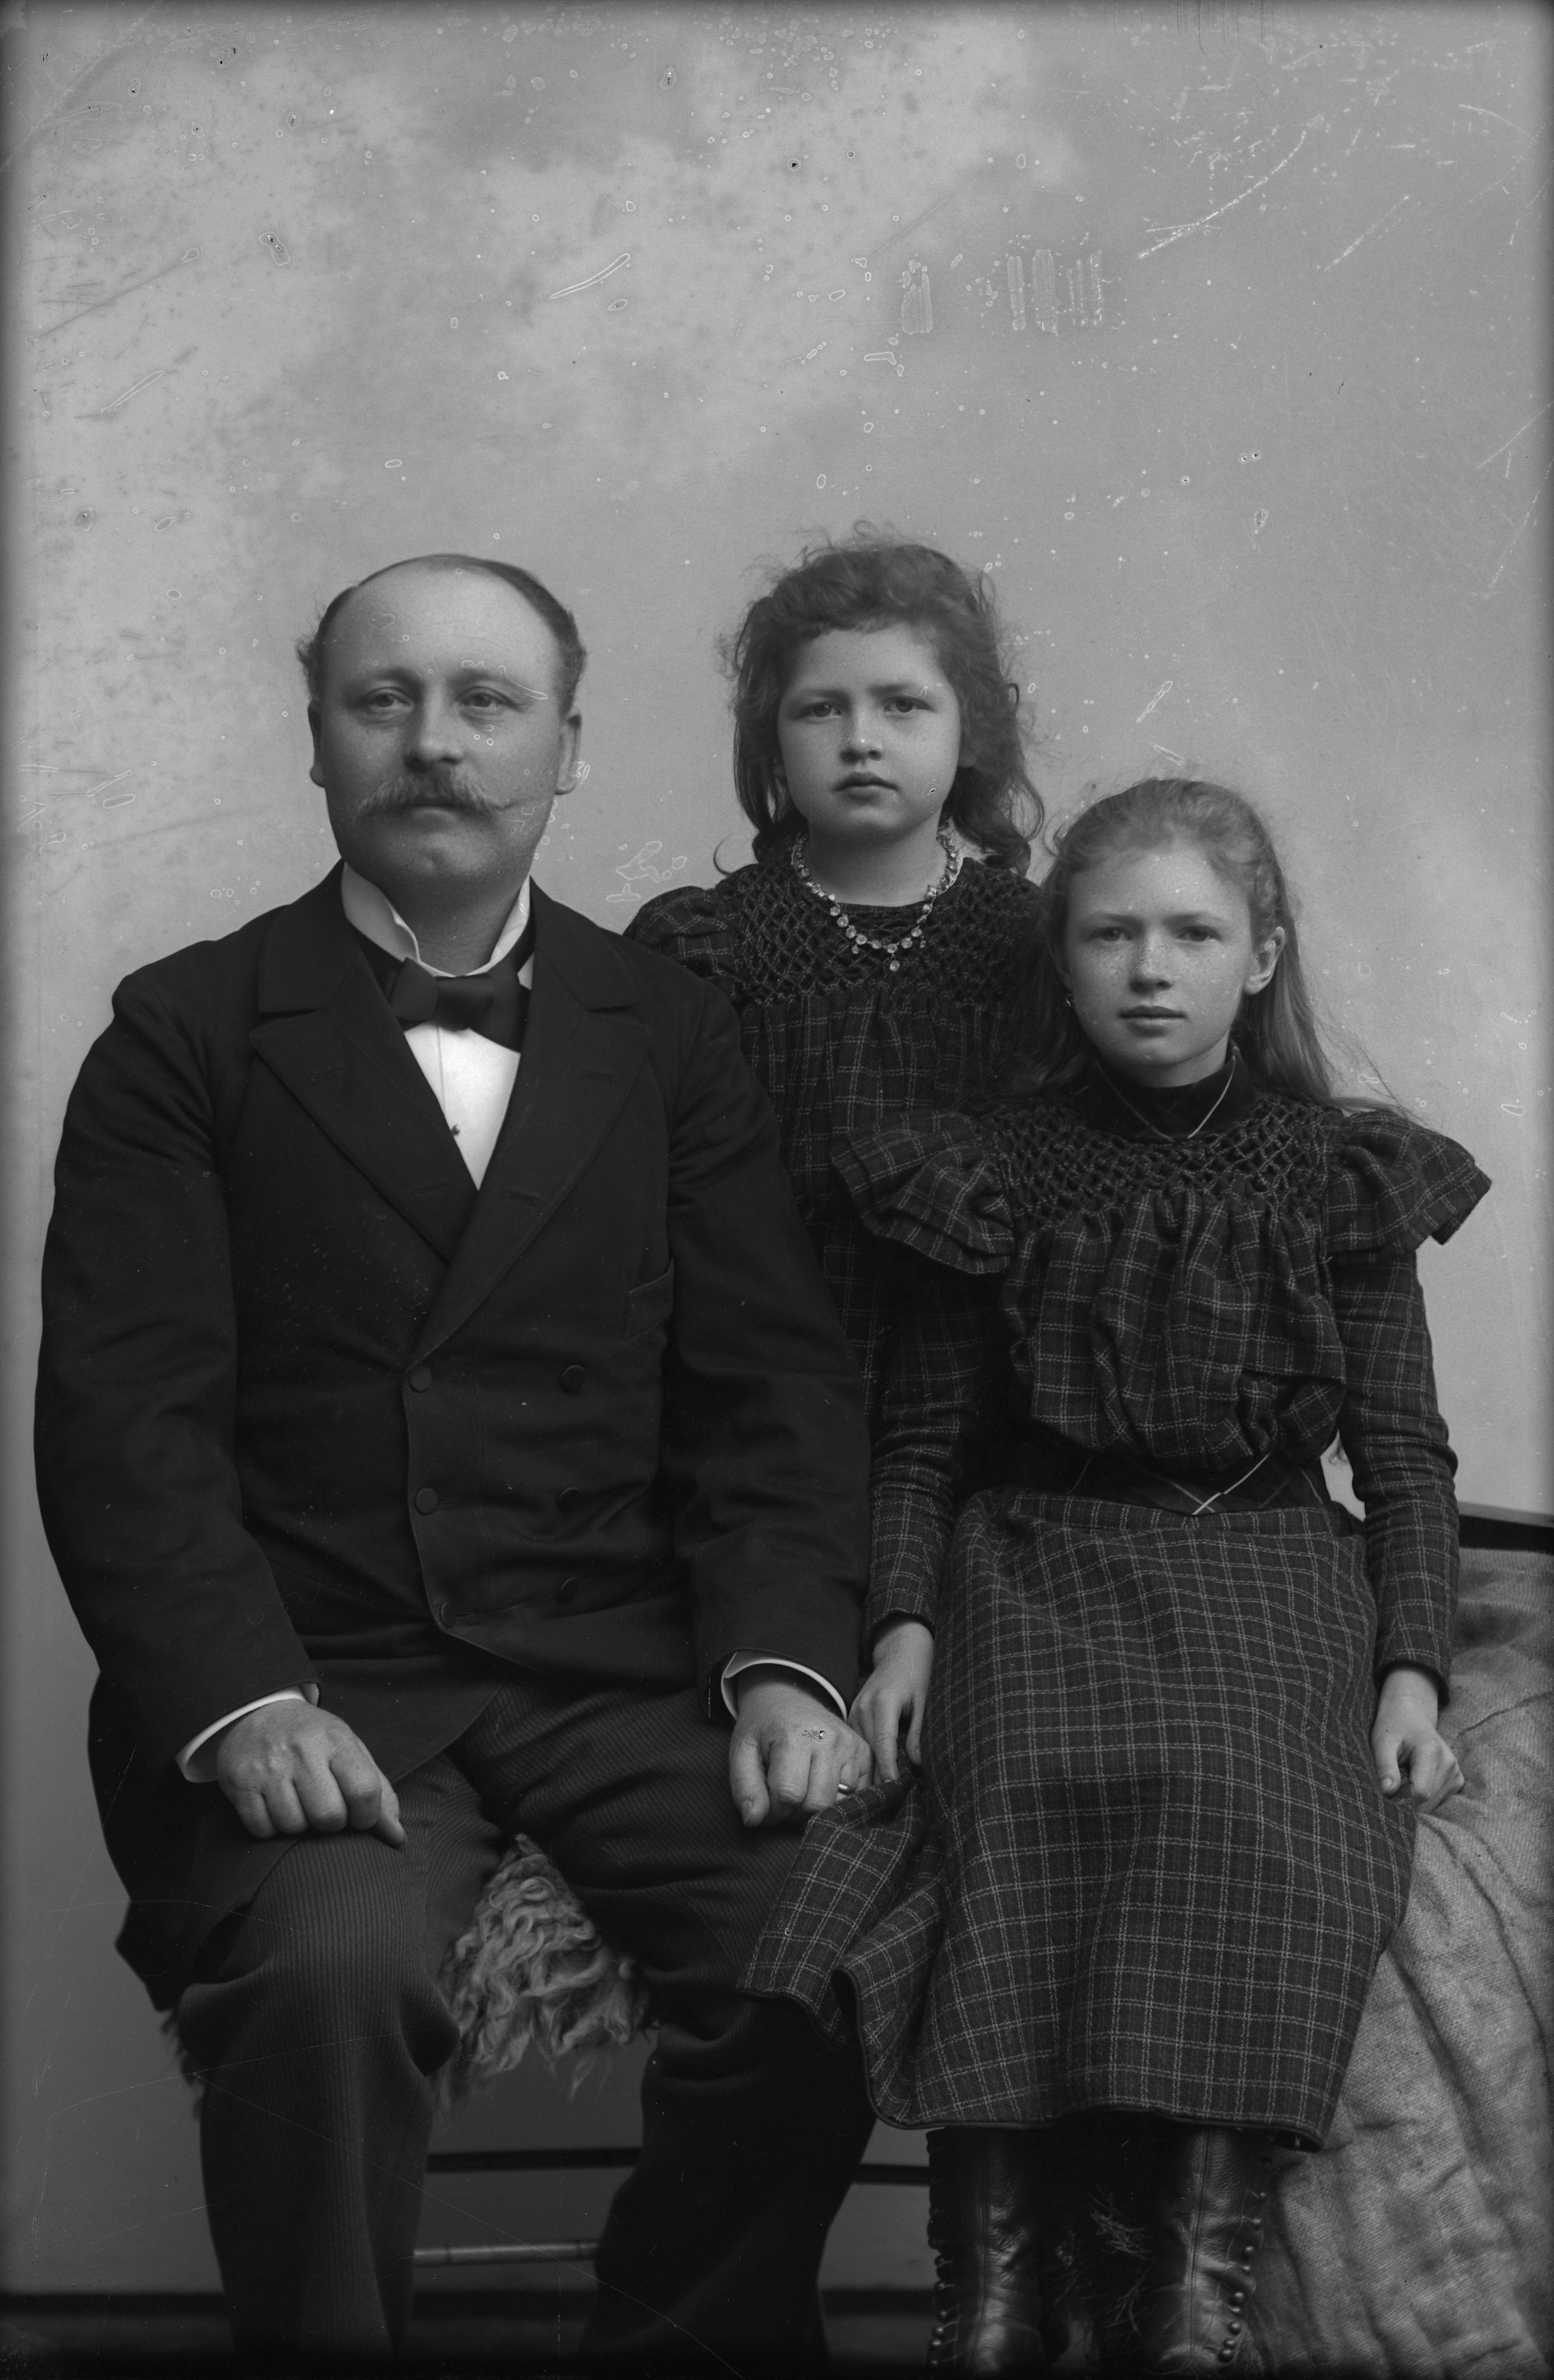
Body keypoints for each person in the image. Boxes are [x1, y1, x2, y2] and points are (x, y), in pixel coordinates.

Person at [34, 552, 881, 2372]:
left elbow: (770, 1390)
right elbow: (126, 1424)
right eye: (384, 700)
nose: (435, 742)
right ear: (317, 740)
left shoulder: (671, 1033)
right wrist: (245, 1704)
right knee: (326, 1978)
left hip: (621, 1664)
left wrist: (782, 1663)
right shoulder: (183, 1034)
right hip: (321, 1670)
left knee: (823, 1947)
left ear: (566, 748)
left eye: (486, 702)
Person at [745, 778, 1490, 2375]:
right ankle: (994, 2300)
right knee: (1011, 1787)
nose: (1152, 968)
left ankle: (1189, 2300)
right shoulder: (986, 1172)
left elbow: (1406, 1458)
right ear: (1066, 962)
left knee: (1256, 1800)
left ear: (1261, 956)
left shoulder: (1339, 1172)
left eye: (1194, 935)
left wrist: (1413, 1667)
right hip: (1039, 1557)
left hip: (1267, 1559)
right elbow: (923, 1443)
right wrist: (903, 1628)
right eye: (1111, 935)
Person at [626, 534, 1043, 1417]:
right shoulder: (707, 946)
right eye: (820, 710)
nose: (860, 741)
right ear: (773, 742)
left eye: (903, 706)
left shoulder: (1035, 945)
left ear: (971, 729)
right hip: (758, 1398)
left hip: (986, 1398)